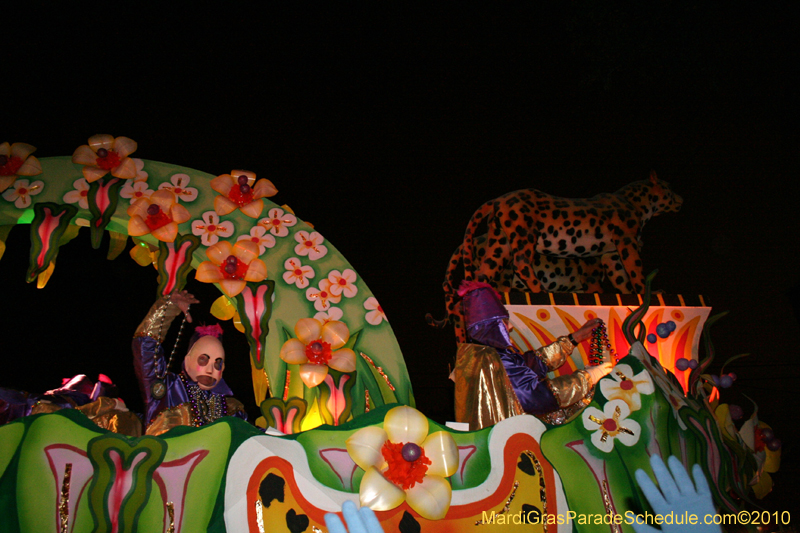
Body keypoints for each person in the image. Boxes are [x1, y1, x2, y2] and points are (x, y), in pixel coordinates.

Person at [454, 281, 613, 427]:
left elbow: (528, 364)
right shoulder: (494, 359)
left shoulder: (481, 355)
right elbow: (536, 396)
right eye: (504, 322)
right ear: (493, 328)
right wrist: (587, 377)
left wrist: (572, 340)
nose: (510, 328)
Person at [132, 289, 246, 435]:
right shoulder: (168, 389)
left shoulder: (232, 409)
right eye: (203, 360)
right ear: (187, 361)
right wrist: (168, 307)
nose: (210, 370)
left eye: (217, 363)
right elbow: (145, 346)